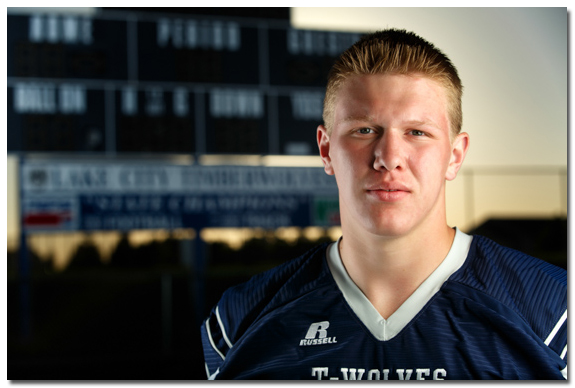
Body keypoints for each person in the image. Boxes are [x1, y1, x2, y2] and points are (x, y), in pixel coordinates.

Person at [200, 29, 567, 380]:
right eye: (364, 130)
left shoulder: (554, 313)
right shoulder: (240, 321)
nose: (388, 157)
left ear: (455, 155)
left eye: (417, 133)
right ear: (326, 150)